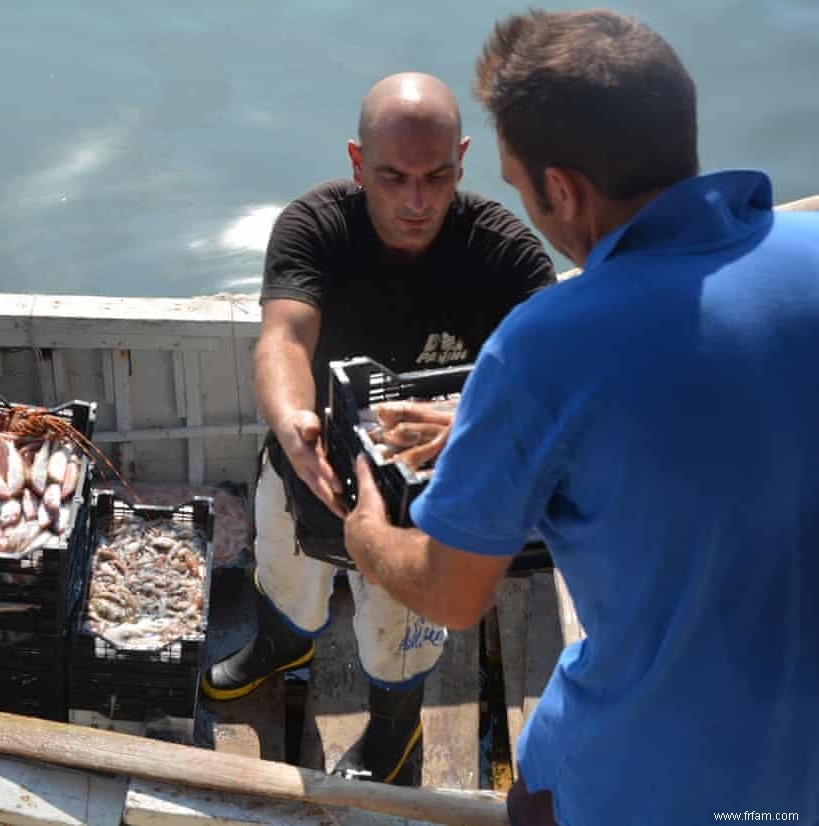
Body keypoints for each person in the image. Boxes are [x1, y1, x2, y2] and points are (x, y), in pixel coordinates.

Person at [343, 9, 819, 824]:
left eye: (517, 182)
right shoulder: (807, 256)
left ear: (561, 188)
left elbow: (454, 596)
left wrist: (367, 537)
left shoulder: (544, 348)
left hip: (657, 782)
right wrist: (497, 431)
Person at [201, 72, 555, 786]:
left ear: (461, 159)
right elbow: (284, 341)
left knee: (400, 642)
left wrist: (472, 422)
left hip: (422, 507)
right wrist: (294, 420)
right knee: (283, 571)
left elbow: (553, 376)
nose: (417, 201)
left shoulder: (506, 253)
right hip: (312, 466)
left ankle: (393, 731)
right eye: (393, 177)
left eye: (437, 176)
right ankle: (280, 643)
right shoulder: (315, 225)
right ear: (359, 163)